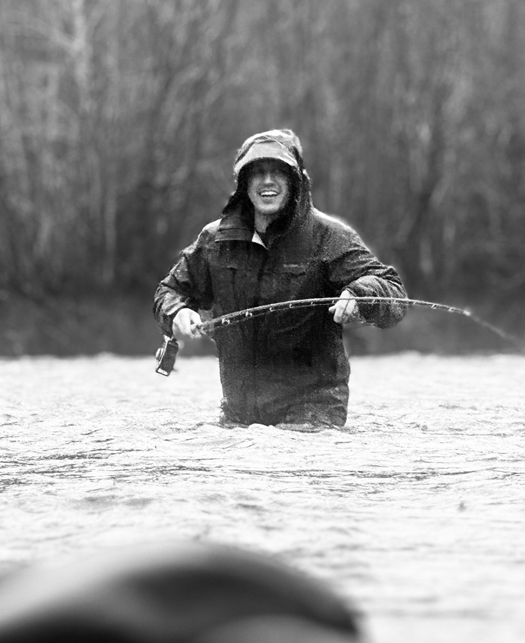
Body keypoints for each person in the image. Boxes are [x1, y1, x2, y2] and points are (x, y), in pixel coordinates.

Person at [154, 129, 406, 429]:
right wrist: (178, 312)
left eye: (278, 172)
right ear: (243, 184)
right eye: (257, 172)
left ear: (295, 180)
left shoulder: (329, 236)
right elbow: (168, 291)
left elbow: (393, 291)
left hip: (314, 412)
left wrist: (360, 294)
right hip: (239, 414)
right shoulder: (215, 240)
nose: (267, 181)